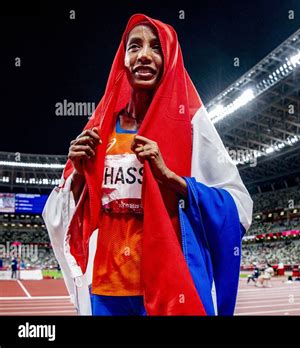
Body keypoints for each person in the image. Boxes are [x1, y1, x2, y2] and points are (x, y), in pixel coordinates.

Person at [42, 14, 253, 316]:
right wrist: (77, 174)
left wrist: (171, 178)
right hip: (105, 289)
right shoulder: (100, 128)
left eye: (156, 47)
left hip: (167, 291)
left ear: (169, 60)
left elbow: (240, 207)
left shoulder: (192, 126)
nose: (144, 55)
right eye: (134, 46)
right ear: (123, 59)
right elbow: (58, 214)